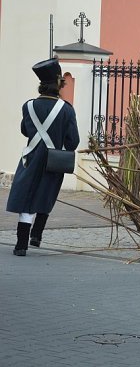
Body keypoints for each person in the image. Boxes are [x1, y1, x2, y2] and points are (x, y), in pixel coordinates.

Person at [6, 58, 80, 256]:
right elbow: (73, 142)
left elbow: (24, 130)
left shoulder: (28, 106)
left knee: (27, 198)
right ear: (58, 84)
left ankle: (21, 245)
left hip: (30, 159)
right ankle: (36, 235)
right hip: (52, 161)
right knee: (45, 196)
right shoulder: (66, 109)